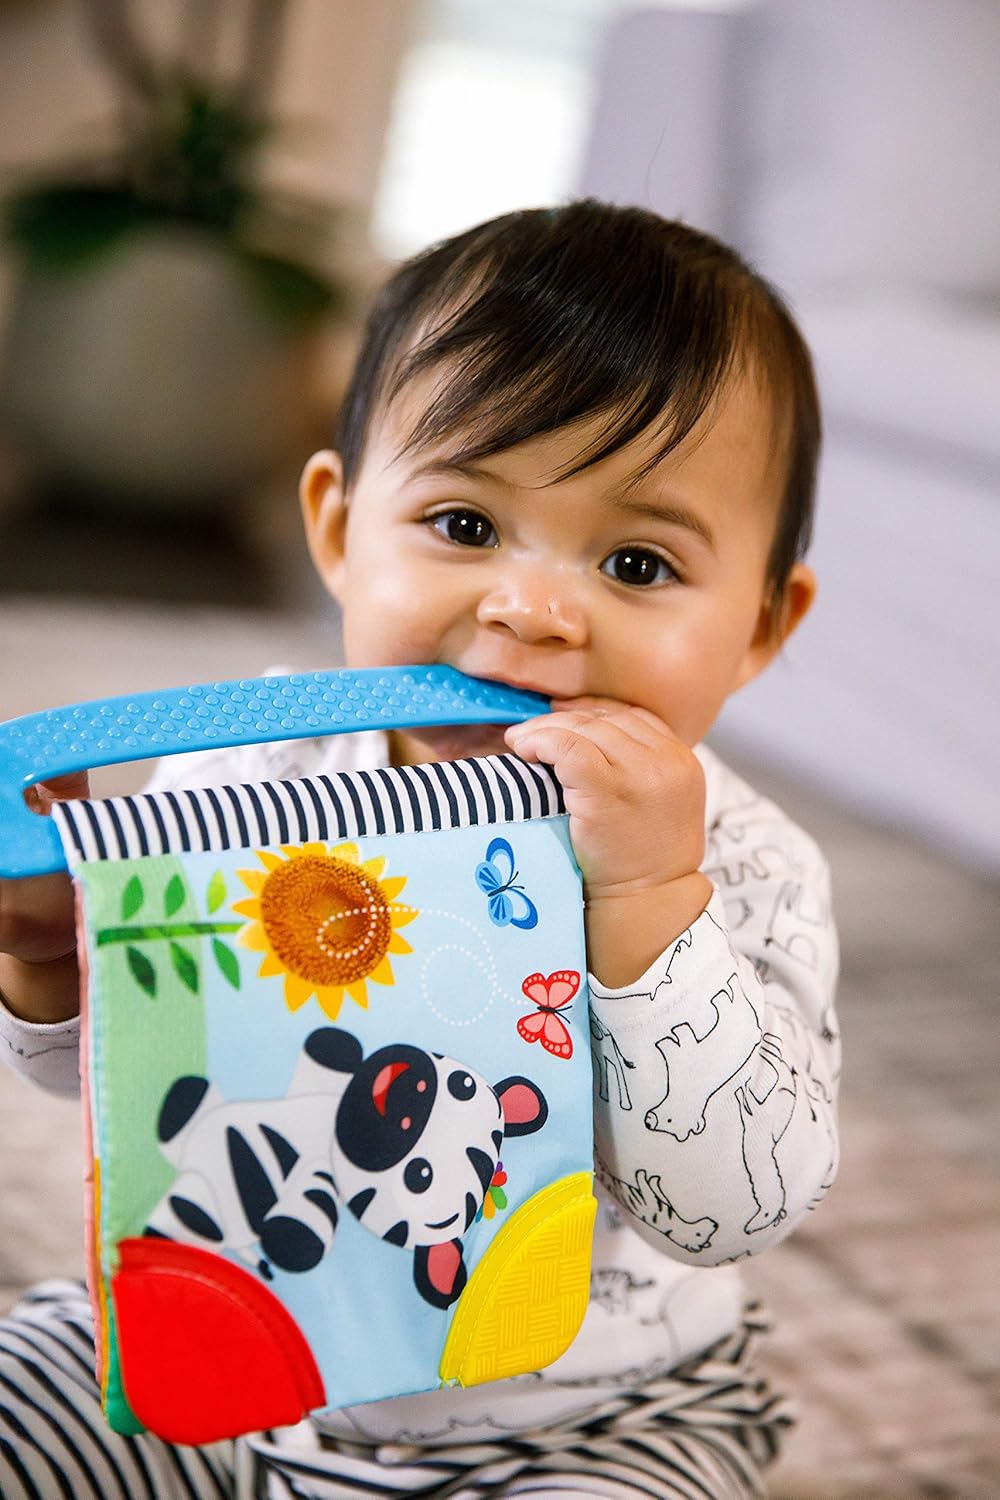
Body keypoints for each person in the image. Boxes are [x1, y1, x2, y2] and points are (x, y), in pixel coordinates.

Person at [0, 200, 839, 1499]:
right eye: (464, 525)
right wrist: (56, 963)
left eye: (636, 562)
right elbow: (135, 1082)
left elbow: (731, 1207)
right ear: (340, 532)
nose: (533, 610)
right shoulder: (254, 773)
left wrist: (648, 895)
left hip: (590, 1420)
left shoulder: (747, 869)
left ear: (761, 629)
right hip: (235, 1362)